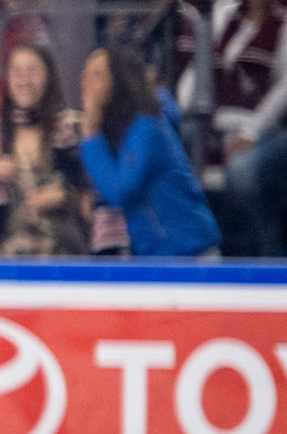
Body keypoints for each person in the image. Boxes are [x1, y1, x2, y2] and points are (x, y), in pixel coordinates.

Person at [80, 43, 221, 256]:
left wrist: (91, 136)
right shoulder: (118, 128)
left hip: (189, 255)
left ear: (120, 81)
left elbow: (119, 190)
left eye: (97, 75)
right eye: (85, 74)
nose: (86, 83)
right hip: (157, 257)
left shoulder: (146, 126)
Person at [179, 0, 287, 254]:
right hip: (218, 122)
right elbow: (198, 69)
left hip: (268, 129)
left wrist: (252, 131)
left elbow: (283, 91)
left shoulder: (283, 23)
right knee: (180, 139)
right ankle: (201, 249)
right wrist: (187, 109)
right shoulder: (224, 15)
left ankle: (268, 254)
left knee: (242, 171)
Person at [0, 43, 88, 256]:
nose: (24, 80)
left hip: (62, 260)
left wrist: (65, 197)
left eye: (32, 71)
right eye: (16, 72)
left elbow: (98, 199)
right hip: (1, 263)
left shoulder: (74, 127)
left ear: (49, 76)